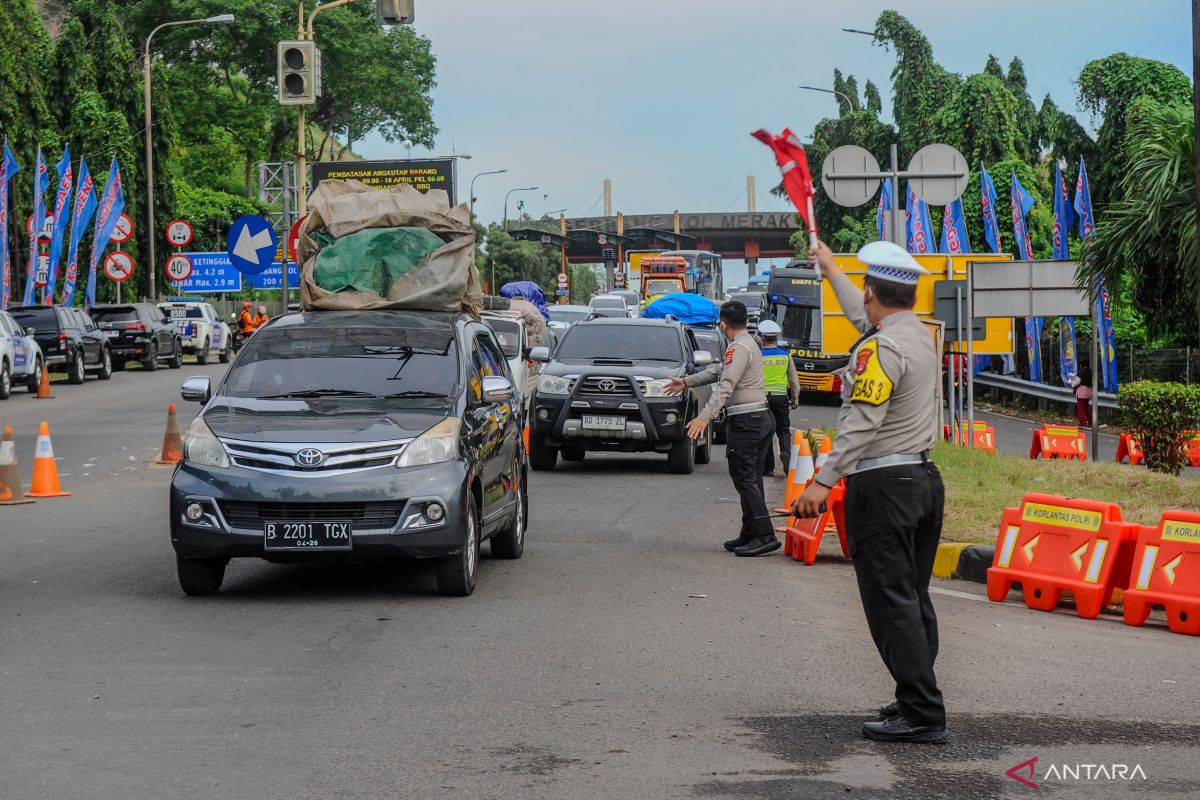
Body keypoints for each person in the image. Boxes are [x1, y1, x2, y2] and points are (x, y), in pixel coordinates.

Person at [792, 240, 947, 744]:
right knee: (911, 596)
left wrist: (821, 481)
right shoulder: (917, 335)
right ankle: (914, 693)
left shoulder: (880, 348)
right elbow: (866, 319)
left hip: (884, 487)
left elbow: (861, 423)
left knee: (890, 602)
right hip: (922, 482)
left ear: (872, 292)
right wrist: (832, 268)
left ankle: (922, 711)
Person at [666, 300, 778, 556]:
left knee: (744, 478)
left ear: (723, 324)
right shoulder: (748, 344)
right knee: (751, 479)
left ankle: (764, 534)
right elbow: (718, 371)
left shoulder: (738, 348)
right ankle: (750, 533)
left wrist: (704, 417)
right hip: (759, 419)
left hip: (747, 422)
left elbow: (726, 384)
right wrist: (685, 381)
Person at [757, 319, 800, 476]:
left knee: (766, 431)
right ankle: (786, 453)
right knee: (783, 429)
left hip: (762, 399)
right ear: (776, 338)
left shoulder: (758, 356)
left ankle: (768, 468)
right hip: (781, 397)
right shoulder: (785, 356)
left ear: (762, 337)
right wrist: (795, 400)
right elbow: (794, 381)